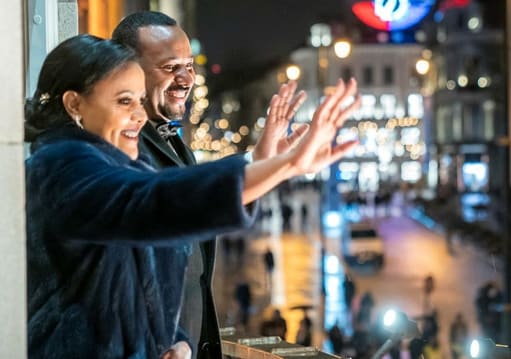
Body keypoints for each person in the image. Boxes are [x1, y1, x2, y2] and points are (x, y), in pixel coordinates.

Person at [25, 34, 361, 358]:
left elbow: (148, 282)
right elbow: (159, 202)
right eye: (123, 101)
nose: (139, 115)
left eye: (140, 100)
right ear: (74, 104)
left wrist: (175, 341)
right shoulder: (60, 167)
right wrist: (283, 165)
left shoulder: (118, 164)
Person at [110, 11, 308, 357]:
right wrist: (159, 337)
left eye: (189, 65)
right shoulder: (120, 144)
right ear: (127, 71)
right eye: (170, 67)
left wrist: (259, 161)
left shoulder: (170, 139)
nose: (186, 79)